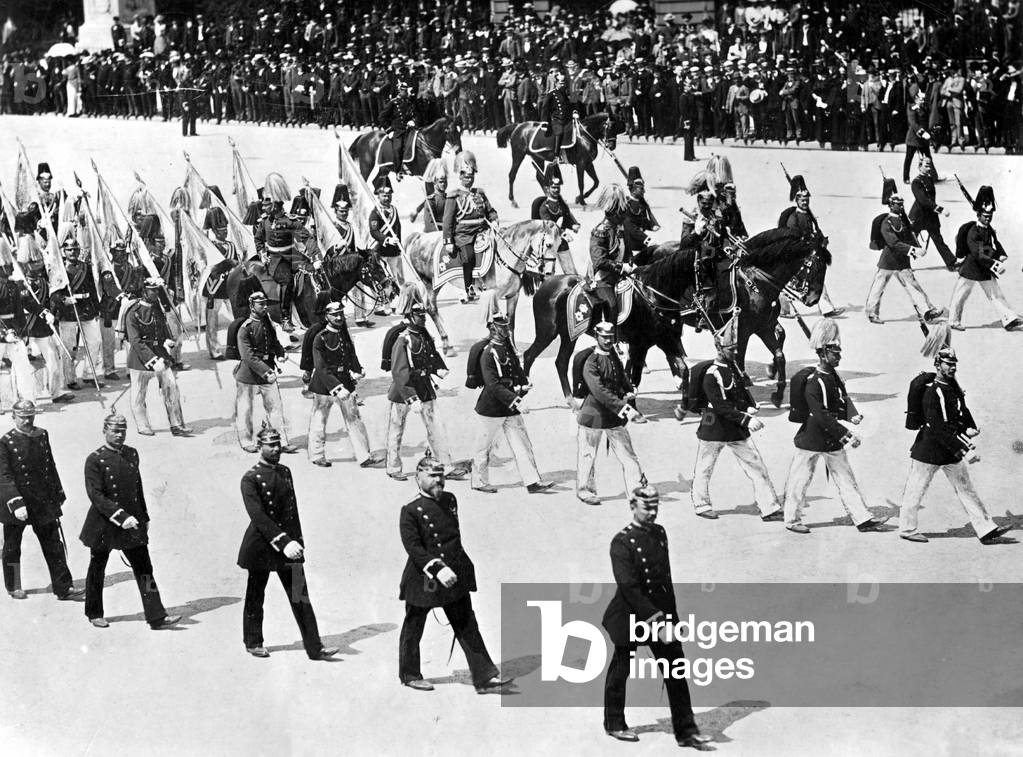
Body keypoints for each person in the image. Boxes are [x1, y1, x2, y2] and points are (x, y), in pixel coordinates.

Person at [602, 485, 713, 749]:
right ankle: (614, 723)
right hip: (630, 613)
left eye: (655, 507)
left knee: (676, 668)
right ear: (632, 506)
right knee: (621, 667)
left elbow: (665, 581)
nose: (652, 513)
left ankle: (686, 731)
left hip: (659, 614)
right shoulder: (621, 542)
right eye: (646, 508)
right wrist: (658, 621)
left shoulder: (660, 533)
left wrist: (672, 621)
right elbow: (630, 588)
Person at [397, 456, 513, 693]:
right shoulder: (410, 511)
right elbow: (414, 548)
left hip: (454, 573)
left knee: (467, 624)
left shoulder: (450, 500)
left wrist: (456, 569)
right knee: (413, 627)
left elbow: (452, 540)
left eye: (440, 475)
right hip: (424, 579)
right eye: (431, 475)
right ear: (417, 477)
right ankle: (409, 674)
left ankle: (484, 676)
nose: (438, 480)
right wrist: (438, 569)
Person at [898, 329, 1012, 545]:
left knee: (966, 488)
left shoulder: (951, 387)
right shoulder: (934, 392)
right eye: (948, 364)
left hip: (948, 450)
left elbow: (961, 409)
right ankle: (907, 529)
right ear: (937, 365)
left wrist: (970, 426)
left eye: (954, 364)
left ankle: (986, 529)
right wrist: (964, 449)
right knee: (915, 490)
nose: (952, 367)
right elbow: (938, 427)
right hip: (929, 450)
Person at [238, 423, 340, 659]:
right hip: (262, 546)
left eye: (278, 444)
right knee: (256, 595)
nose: (276, 449)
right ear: (258, 447)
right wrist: (284, 542)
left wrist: (297, 542)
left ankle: (315, 648)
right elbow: (259, 517)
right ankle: (253, 641)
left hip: (289, 548)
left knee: (300, 596)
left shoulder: (285, 472)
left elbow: (291, 513)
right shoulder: (250, 479)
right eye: (270, 445)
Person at [782, 319, 889, 534]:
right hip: (813, 437)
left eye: (838, 353)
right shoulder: (815, 380)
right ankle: (792, 520)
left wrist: (852, 415)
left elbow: (840, 400)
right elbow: (820, 413)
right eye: (835, 354)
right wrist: (847, 434)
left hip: (830, 438)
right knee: (799, 481)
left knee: (846, 479)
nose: (839, 356)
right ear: (823, 354)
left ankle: (862, 519)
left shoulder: (833, 376)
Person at [79, 412, 181, 630]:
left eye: (123, 431)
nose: (119, 435)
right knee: (97, 568)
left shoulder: (132, 454)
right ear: (104, 431)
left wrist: (143, 517)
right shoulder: (94, 459)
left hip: (132, 522)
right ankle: (94, 612)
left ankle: (156, 616)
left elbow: (137, 489)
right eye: (115, 431)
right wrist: (120, 516)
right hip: (105, 523)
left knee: (144, 568)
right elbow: (96, 495)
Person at [690, 320, 781, 521]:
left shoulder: (733, 369)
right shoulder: (711, 375)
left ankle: (770, 507)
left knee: (756, 465)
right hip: (714, 428)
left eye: (736, 348)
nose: (735, 352)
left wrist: (747, 406)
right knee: (705, 468)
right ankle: (701, 504)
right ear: (719, 349)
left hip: (734, 428)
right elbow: (721, 406)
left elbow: (738, 395)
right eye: (731, 349)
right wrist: (745, 419)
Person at [0, 400, 82, 601]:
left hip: (43, 501)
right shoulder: (6, 442)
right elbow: (3, 475)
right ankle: (14, 585)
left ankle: (63, 587)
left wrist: (58, 492)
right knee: (12, 547)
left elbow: (49, 465)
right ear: (14, 417)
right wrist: (15, 502)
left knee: (54, 544)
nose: (27, 420)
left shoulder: (42, 435)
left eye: (30, 416)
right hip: (18, 502)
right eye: (23, 417)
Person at [470, 313, 552, 495]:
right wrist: (516, 400)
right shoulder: (488, 353)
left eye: (507, 326)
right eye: (502, 327)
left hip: (509, 407)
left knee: (523, 444)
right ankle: (479, 481)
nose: (507, 330)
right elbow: (492, 385)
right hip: (490, 408)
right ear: (493, 329)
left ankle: (533, 482)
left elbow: (516, 368)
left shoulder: (506, 349)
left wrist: (524, 383)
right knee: (483, 447)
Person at [385, 304, 468, 481]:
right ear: (410, 317)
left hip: (424, 386)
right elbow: (399, 371)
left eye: (424, 316)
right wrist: (410, 397)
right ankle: (393, 467)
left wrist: (439, 369)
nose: (423, 319)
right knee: (396, 429)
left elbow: (431, 354)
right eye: (419, 316)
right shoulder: (403, 340)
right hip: (403, 391)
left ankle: (444, 465)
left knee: (436, 428)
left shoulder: (423, 335)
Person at [576, 322, 647, 506]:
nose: (608, 340)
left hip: (613, 416)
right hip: (594, 415)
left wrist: (628, 391)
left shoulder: (613, 355)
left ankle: (636, 490)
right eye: (604, 337)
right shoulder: (591, 361)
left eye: (611, 337)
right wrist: (626, 409)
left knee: (628, 454)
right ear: (596, 336)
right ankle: (585, 490)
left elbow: (620, 377)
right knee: (588, 455)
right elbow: (599, 391)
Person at [307, 302, 384, 469]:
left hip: (344, 380)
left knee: (354, 419)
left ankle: (364, 456)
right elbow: (320, 367)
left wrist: (358, 369)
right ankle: (317, 455)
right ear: (327, 316)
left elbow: (350, 354)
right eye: (335, 314)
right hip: (324, 385)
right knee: (319, 420)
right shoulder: (320, 338)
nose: (339, 317)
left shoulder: (343, 334)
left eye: (341, 314)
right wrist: (336, 388)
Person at [865, 179, 945, 325]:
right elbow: (893, 243)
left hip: (902, 260)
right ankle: (871, 313)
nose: (901, 207)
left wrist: (915, 248)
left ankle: (927, 310)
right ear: (891, 205)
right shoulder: (886, 222)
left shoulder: (902, 221)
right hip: (888, 261)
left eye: (902, 204)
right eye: (898, 204)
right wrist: (913, 249)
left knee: (913, 285)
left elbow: (908, 236)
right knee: (879, 287)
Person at [948, 187, 1023, 332]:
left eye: (990, 216)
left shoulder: (988, 230)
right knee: (961, 294)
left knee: (995, 294)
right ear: (979, 215)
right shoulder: (973, 232)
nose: (988, 218)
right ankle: (953, 320)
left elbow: (992, 245)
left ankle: (1009, 319)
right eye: (985, 216)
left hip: (983, 269)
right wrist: (994, 263)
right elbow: (978, 253)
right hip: (971, 269)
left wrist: (999, 254)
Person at [124, 278, 191, 437]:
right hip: (141, 357)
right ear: (144, 291)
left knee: (172, 388)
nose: (155, 293)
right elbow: (134, 340)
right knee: (139, 393)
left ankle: (176, 424)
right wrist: (152, 360)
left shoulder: (156, 307)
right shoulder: (133, 311)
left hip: (160, 351)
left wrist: (166, 340)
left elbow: (162, 326)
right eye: (151, 290)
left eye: (156, 290)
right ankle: (142, 425)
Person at [234, 291, 295, 454]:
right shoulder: (244, 329)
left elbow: (273, 341)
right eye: (261, 304)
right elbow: (247, 356)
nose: (265, 307)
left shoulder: (266, 321)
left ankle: (280, 441)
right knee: (245, 410)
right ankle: (246, 441)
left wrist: (281, 352)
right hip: (248, 375)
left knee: (275, 407)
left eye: (265, 303)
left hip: (267, 371)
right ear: (251, 306)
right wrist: (266, 371)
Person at [16, 231, 73, 403]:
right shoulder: (20, 282)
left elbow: (48, 298)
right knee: (31, 366)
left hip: (43, 327)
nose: (36, 267)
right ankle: (29, 398)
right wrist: (43, 311)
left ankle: (56, 391)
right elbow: (26, 303)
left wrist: (50, 312)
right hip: (27, 327)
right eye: (33, 264)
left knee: (53, 362)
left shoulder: (42, 280)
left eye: (38, 264)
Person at [779, 174, 843, 318]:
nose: (805, 202)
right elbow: (793, 238)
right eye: (802, 200)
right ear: (797, 201)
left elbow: (814, 231)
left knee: (816, 280)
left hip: (809, 253)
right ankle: (784, 309)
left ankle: (827, 309)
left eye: (807, 200)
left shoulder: (808, 216)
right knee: (788, 284)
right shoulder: (793, 218)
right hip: (797, 255)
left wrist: (821, 240)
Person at [442, 151, 497, 304]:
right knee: (469, 257)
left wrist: (494, 220)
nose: (469, 179)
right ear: (460, 177)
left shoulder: (479, 193)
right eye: (466, 176)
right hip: (463, 234)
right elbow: (447, 221)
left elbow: (490, 211)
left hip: (481, 231)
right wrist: (448, 241)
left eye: (471, 176)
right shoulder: (454, 195)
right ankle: (468, 288)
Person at [53, 228, 105, 390]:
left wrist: (97, 310)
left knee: (95, 341)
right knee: (68, 347)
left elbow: (93, 288)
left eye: (75, 249)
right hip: (68, 312)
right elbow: (53, 294)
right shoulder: (59, 268)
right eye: (69, 249)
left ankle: (90, 374)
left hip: (86, 309)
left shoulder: (86, 267)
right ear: (63, 251)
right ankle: (70, 379)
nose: (73, 252)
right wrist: (65, 299)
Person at [254, 173, 303, 331]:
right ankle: (285, 318)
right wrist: (262, 254)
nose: (263, 206)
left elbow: (305, 237)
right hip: (275, 261)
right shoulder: (264, 222)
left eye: (266, 203)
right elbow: (258, 240)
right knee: (286, 281)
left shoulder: (289, 220)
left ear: (275, 204)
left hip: (292, 256)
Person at [589, 184, 633, 335]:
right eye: (619, 212)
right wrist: (621, 267)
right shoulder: (600, 231)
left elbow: (627, 251)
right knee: (612, 305)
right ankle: (612, 341)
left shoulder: (620, 228)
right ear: (611, 212)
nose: (623, 215)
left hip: (622, 276)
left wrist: (632, 264)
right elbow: (599, 262)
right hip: (604, 279)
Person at [201, 199, 239, 359]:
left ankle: (237, 346)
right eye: (221, 230)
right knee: (212, 322)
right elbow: (210, 268)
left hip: (229, 287)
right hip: (213, 288)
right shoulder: (210, 246)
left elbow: (236, 263)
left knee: (237, 318)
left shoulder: (231, 245)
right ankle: (214, 350)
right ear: (215, 231)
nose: (224, 232)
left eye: (226, 229)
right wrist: (228, 263)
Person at [530, 163, 579, 275]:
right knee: (548, 274)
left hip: (561, 241)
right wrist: (562, 232)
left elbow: (566, 219)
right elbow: (549, 225)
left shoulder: (561, 205)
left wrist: (572, 225)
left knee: (571, 272)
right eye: (553, 188)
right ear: (548, 188)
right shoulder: (544, 206)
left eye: (558, 188)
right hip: (549, 242)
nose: (556, 190)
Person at [909, 157, 956, 270]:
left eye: (930, 166)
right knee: (909, 240)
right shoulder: (916, 182)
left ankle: (951, 262)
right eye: (926, 166)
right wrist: (939, 209)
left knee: (938, 239)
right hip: (919, 216)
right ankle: (902, 264)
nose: (929, 168)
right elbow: (923, 200)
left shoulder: (929, 179)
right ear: (919, 167)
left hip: (930, 216)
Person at [0, 263, 36, 403]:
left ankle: (27, 401)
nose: (12, 268)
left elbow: (19, 311)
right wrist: (3, 333)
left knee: (24, 367)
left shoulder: (13, 286)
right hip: (2, 331)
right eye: (7, 265)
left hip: (14, 330)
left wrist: (23, 330)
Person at [368, 176, 404, 304]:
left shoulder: (394, 209)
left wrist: (399, 245)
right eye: (384, 195)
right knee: (383, 279)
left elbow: (398, 228)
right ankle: (382, 303)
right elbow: (374, 231)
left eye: (389, 195)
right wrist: (387, 240)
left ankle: (395, 303)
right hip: (380, 250)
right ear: (378, 196)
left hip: (393, 251)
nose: (387, 198)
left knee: (395, 277)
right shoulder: (375, 213)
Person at [622, 166, 659, 265]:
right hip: (628, 244)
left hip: (639, 241)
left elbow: (641, 221)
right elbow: (630, 226)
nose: (644, 191)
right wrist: (647, 240)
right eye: (641, 189)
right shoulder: (626, 205)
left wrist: (651, 226)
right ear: (633, 189)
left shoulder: (641, 204)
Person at [378, 81, 417, 177]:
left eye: (406, 90)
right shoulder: (393, 103)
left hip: (408, 129)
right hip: (397, 130)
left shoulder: (408, 102)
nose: (406, 92)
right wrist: (389, 130)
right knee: (398, 148)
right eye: (404, 91)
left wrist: (413, 121)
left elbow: (414, 114)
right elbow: (382, 117)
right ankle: (398, 170)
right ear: (399, 91)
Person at [540, 69, 574, 162]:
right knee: (559, 132)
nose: (562, 85)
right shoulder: (551, 94)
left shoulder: (564, 93)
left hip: (566, 118)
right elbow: (544, 108)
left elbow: (568, 106)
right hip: (556, 119)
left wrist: (574, 113)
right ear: (556, 83)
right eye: (560, 83)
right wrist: (544, 122)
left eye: (563, 83)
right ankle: (556, 155)